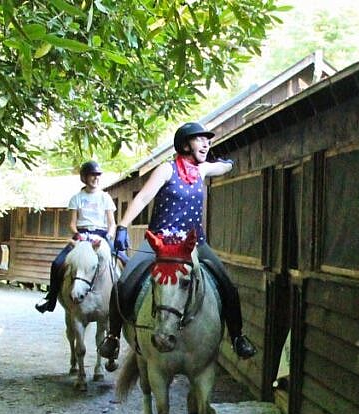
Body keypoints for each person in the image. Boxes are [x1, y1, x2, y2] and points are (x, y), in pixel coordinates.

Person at [97, 122, 257, 360]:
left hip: (194, 243)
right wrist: (122, 226)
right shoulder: (166, 170)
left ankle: (237, 337)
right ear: (184, 145)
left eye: (208, 140)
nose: (206, 143)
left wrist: (228, 163)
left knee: (227, 286)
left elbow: (220, 168)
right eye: (200, 140)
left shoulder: (201, 171)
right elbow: (142, 199)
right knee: (124, 284)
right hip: (159, 242)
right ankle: (113, 337)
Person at [34, 160, 118, 313]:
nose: (96, 178)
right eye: (92, 175)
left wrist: (109, 236)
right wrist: (79, 235)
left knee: (122, 261)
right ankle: (50, 298)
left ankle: (120, 301)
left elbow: (112, 223)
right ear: (84, 177)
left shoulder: (105, 197)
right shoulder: (77, 198)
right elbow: (72, 224)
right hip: (82, 234)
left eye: (98, 175)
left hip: (101, 235)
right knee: (57, 263)